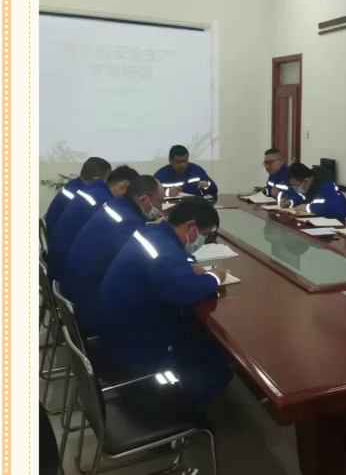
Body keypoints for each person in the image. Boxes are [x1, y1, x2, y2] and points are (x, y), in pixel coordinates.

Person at [96, 197, 233, 408]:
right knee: (219, 367)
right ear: (191, 226)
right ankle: (179, 407)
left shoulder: (152, 233)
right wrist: (215, 276)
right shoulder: (163, 252)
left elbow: (170, 262)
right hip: (136, 342)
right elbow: (185, 292)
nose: (202, 241)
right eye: (204, 235)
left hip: (117, 325)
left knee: (200, 336)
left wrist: (187, 264)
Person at [63, 176, 165, 335]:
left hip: (79, 285)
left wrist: (146, 225)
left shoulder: (116, 204)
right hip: (93, 301)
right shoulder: (127, 221)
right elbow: (149, 261)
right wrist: (157, 230)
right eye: (160, 201)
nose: (161, 207)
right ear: (144, 200)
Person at [47, 165, 138, 284]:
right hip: (69, 273)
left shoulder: (94, 190)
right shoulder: (102, 202)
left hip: (63, 261)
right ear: (125, 185)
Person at [43, 157, 112, 234]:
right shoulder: (82, 195)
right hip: (61, 236)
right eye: (106, 180)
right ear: (97, 180)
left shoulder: (73, 186)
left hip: (56, 233)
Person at [281, 162, 346, 221]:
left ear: (306, 181)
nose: (296, 189)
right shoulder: (307, 188)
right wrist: (291, 202)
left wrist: (308, 208)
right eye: (293, 186)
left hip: (336, 226)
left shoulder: (328, 187)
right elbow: (301, 198)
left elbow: (337, 209)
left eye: (296, 186)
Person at [154, 145, 218, 200]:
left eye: (185, 161)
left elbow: (214, 190)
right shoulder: (161, 175)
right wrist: (167, 192)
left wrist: (207, 186)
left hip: (195, 207)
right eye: (179, 162)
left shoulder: (197, 170)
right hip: (172, 208)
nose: (182, 165)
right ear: (170, 160)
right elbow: (151, 195)